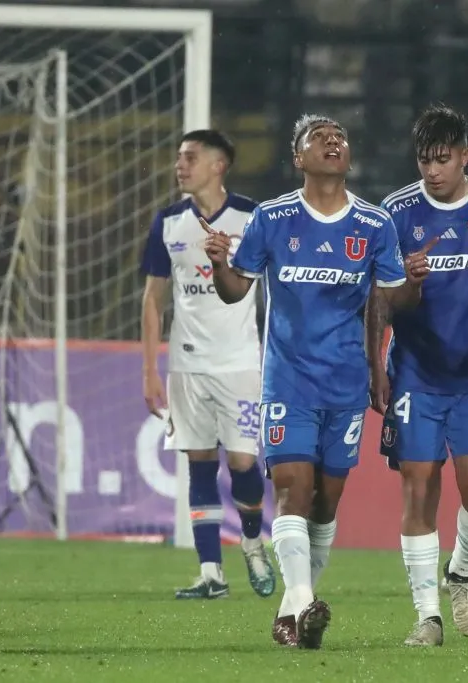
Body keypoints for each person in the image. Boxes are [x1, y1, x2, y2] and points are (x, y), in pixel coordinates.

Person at [201, 114, 429, 649]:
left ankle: (291, 615)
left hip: (345, 382)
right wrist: (219, 264)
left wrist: (413, 283)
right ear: (298, 158)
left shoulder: (374, 224)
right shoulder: (272, 218)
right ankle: (305, 602)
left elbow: (393, 302)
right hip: (288, 381)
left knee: (325, 504)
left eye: (339, 136)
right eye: (319, 137)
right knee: (291, 491)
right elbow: (236, 290)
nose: (333, 141)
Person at [369, 104, 468, 646]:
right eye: (424, 160)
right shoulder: (396, 212)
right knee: (419, 490)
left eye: (442, 159)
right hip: (414, 375)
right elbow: (383, 301)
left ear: (465, 155)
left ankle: (460, 571)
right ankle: (427, 618)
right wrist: (407, 283)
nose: (432, 170)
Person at [140, 129, 275, 600]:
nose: (180, 165)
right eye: (179, 157)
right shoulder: (168, 222)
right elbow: (153, 299)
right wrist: (150, 370)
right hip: (187, 364)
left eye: (191, 157)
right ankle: (211, 573)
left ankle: (253, 543)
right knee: (198, 462)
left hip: (240, 363)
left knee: (242, 462)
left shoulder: (252, 217)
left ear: (219, 165)